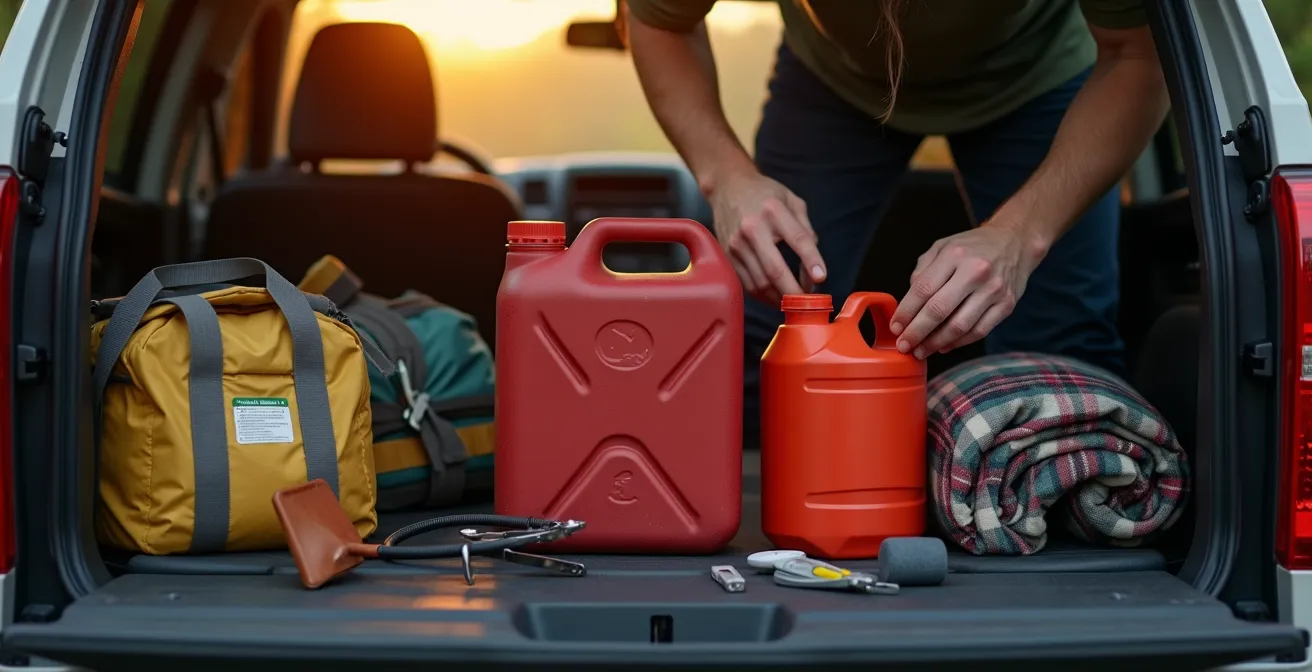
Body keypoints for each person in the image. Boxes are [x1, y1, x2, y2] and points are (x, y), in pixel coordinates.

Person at [622, 0, 1167, 448]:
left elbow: (1139, 56)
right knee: (770, 327)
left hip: (1038, 79)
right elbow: (657, 22)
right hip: (835, 80)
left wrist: (1020, 237)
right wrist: (728, 177)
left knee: (1060, 356)